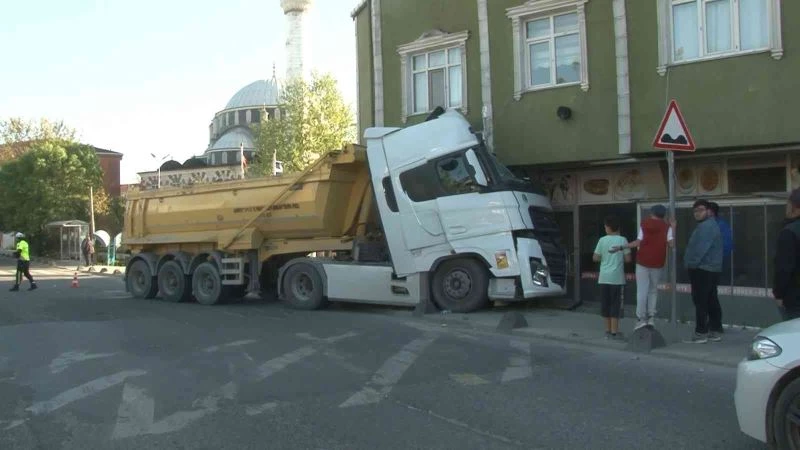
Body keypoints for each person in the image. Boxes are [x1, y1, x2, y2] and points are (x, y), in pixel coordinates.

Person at [618, 204, 674, 331]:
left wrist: (622, 247)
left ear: (652, 213)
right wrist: (673, 227)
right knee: (653, 290)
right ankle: (651, 318)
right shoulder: (667, 227)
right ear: (663, 215)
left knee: (641, 291)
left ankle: (641, 319)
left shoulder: (645, 224)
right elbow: (671, 244)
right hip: (658, 262)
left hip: (642, 261)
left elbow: (638, 242)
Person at [683, 200, 723, 343]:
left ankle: (701, 332)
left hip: (702, 269)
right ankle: (715, 330)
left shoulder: (706, 226)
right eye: (695, 211)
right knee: (711, 299)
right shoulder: (710, 225)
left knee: (701, 301)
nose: (697, 213)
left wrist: (691, 264)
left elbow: (700, 249)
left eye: (700, 210)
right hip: (710, 268)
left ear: (708, 211)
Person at [594, 215, 631, 339]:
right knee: (615, 304)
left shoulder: (602, 240)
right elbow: (628, 259)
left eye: (605, 226)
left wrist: (605, 257)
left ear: (608, 227)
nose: (605, 228)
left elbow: (595, 257)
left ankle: (607, 331)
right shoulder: (623, 240)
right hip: (617, 278)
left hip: (604, 277)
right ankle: (615, 332)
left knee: (605, 303)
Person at [772, 189, 800, 321]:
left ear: (795, 207)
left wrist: (779, 294)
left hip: (795, 298)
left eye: (788, 203)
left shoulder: (790, 232)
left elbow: (784, 268)